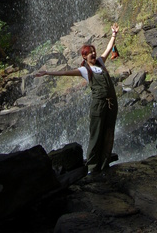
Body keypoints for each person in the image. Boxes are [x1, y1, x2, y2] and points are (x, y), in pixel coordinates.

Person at [35, 23, 119, 173]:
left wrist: (114, 34)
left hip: (112, 104)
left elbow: (107, 49)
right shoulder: (84, 70)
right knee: (96, 135)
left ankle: (105, 164)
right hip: (98, 105)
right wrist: (47, 72)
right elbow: (65, 73)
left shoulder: (100, 62)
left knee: (109, 134)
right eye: (90, 53)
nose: (93, 54)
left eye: (94, 51)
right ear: (84, 56)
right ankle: (93, 167)